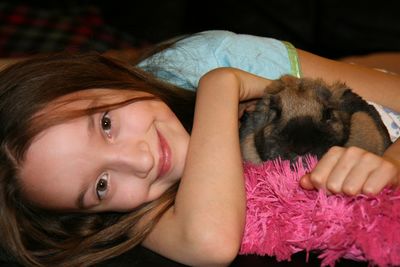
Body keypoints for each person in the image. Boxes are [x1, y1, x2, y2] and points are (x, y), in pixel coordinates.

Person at [0, 30, 399, 267]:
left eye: (106, 124)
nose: (139, 160)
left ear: (99, 79)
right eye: (101, 185)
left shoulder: (209, 58)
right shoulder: (118, 213)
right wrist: (221, 87)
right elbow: (210, 243)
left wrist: (391, 162)